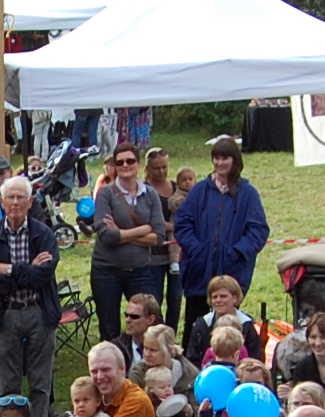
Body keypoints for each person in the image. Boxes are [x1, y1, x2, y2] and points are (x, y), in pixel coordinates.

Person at [0, 176, 60, 417]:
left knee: (40, 381)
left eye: (20, 197)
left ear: (30, 201)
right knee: (9, 382)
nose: (15, 202)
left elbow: (44, 276)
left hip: (39, 311)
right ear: (1, 202)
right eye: (10, 197)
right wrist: (28, 269)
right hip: (6, 313)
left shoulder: (44, 233)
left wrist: (10, 269)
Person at [174, 136, 270, 306]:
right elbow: (182, 223)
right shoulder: (199, 190)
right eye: (216, 158)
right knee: (196, 320)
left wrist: (237, 252)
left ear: (235, 160)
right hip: (199, 273)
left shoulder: (248, 194)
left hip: (233, 273)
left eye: (225, 158)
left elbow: (258, 231)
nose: (220, 163)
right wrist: (197, 250)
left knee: (228, 321)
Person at [86, 141, 171, 322]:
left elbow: (158, 238)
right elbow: (107, 236)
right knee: (109, 327)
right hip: (106, 271)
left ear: (138, 164)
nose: (125, 165)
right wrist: (142, 229)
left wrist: (121, 232)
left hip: (140, 269)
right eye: (120, 162)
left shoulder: (150, 194)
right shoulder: (105, 193)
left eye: (130, 161)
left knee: (153, 321)